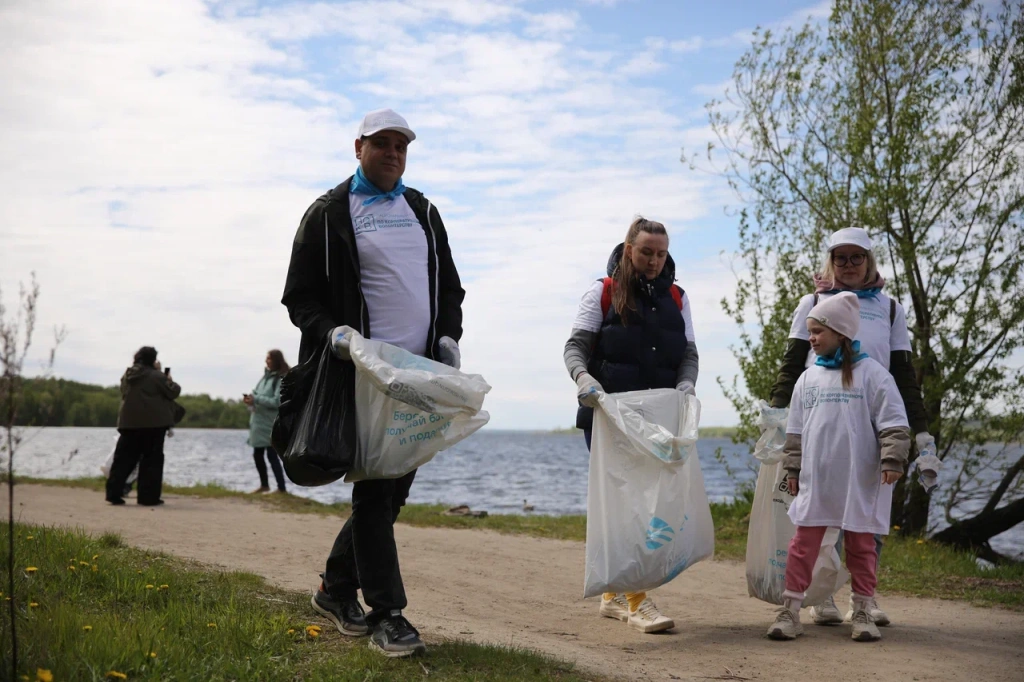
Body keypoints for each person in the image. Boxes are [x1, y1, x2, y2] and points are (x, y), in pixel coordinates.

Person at [282, 108, 464, 658]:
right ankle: (389, 614)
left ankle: (336, 589)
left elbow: (449, 288)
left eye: (401, 146)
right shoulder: (329, 212)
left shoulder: (422, 211)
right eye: (381, 143)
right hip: (359, 373)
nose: (392, 153)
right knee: (375, 488)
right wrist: (334, 334)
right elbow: (299, 297)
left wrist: (449, 338)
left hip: (417, 377)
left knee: (391, 491)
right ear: (357, 147)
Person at [765, 226, 939, 627]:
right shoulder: (812, 302)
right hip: (820, 421)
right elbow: (793, 364)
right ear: (830, 261)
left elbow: (901, 372)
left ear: (869, 260)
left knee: (865, 522)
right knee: (815, 526)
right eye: (839, 257)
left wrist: (920, 428)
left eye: (856, 257)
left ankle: (864, 600)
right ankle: (819, 597)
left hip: (868, 424)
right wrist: (777, 417)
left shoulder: (890, 307)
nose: (847, 265)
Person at [563, 216, 699, 634]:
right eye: (646, 252)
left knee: (649, 506)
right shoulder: (603, 292)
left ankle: (613, 594)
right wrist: (584, 380)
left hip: (658, 421)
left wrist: (686, 386)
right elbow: (575, 348)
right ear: (628, 250)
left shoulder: (677, 297)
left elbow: (688, 354)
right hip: (610, 419)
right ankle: (638, 600)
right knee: (629, 508)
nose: (654, 261)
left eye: (660, 253)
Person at [766, 292, 910, 642]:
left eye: (818, 332)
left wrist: (892, 458)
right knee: (803, 546)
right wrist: (793, 471)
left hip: (858, 481)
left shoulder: (873, 375)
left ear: (841, 333)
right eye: (810, 331)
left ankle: (861, 610)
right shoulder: (808, 379)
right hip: (818, 480)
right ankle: (791, 609)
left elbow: (894, 422)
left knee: (861, 547)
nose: (811, 338)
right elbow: (796, 433)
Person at [106, 346, 181, 506]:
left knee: (123, 460)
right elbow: (173, 392)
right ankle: (148, 497)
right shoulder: (156, 376)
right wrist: (165, 376)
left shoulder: (127, 375)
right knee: (151, 462)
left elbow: (123, 391)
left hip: (129, 423)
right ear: (153, 360)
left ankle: (113, 493)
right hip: (154, 424)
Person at [243, 349, 289, 494]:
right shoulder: (264, 378)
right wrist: (251, 400)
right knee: (257, 455)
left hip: (270, 424)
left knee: (272, 456)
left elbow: (277, 401)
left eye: (268, 358)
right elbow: (257, 394)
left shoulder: (279, 379)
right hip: (257, 423)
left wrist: (256, 399)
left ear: (276, 360)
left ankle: (281, 488)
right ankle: (264, 485)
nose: (266, 361)